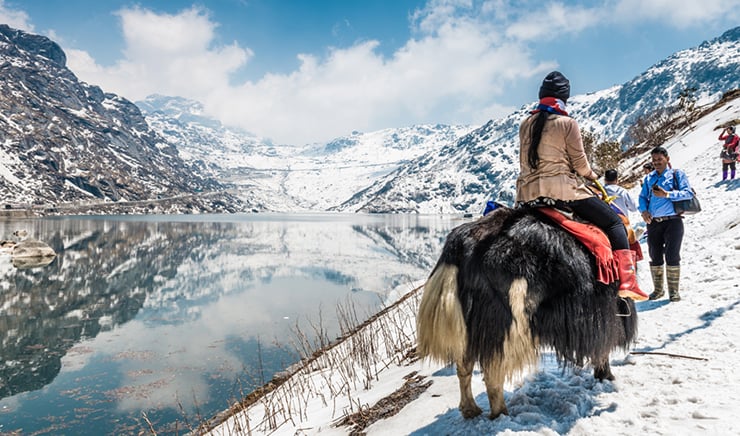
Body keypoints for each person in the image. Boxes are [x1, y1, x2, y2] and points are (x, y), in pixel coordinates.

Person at [515, 71, 647, 301]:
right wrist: (593, 176)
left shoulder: (526, 123)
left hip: (528, 194)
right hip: (564, 193)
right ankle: (627, 282)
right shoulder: (567, 123)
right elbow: (580, 165)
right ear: (563, 97)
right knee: (615, 222)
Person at [638, 146, 695, 302]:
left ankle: (674, 291)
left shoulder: (677, 174)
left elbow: (688, 193)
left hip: (673, 222)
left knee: (672, 255)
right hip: (654, 222)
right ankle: (658, 290)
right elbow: (642, 197)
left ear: (667, 159)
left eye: (659, 159)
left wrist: (668, 194)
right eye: (654, 160)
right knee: (654, 255)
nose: (656, 163)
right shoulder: (649, 178)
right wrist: (643, 211)